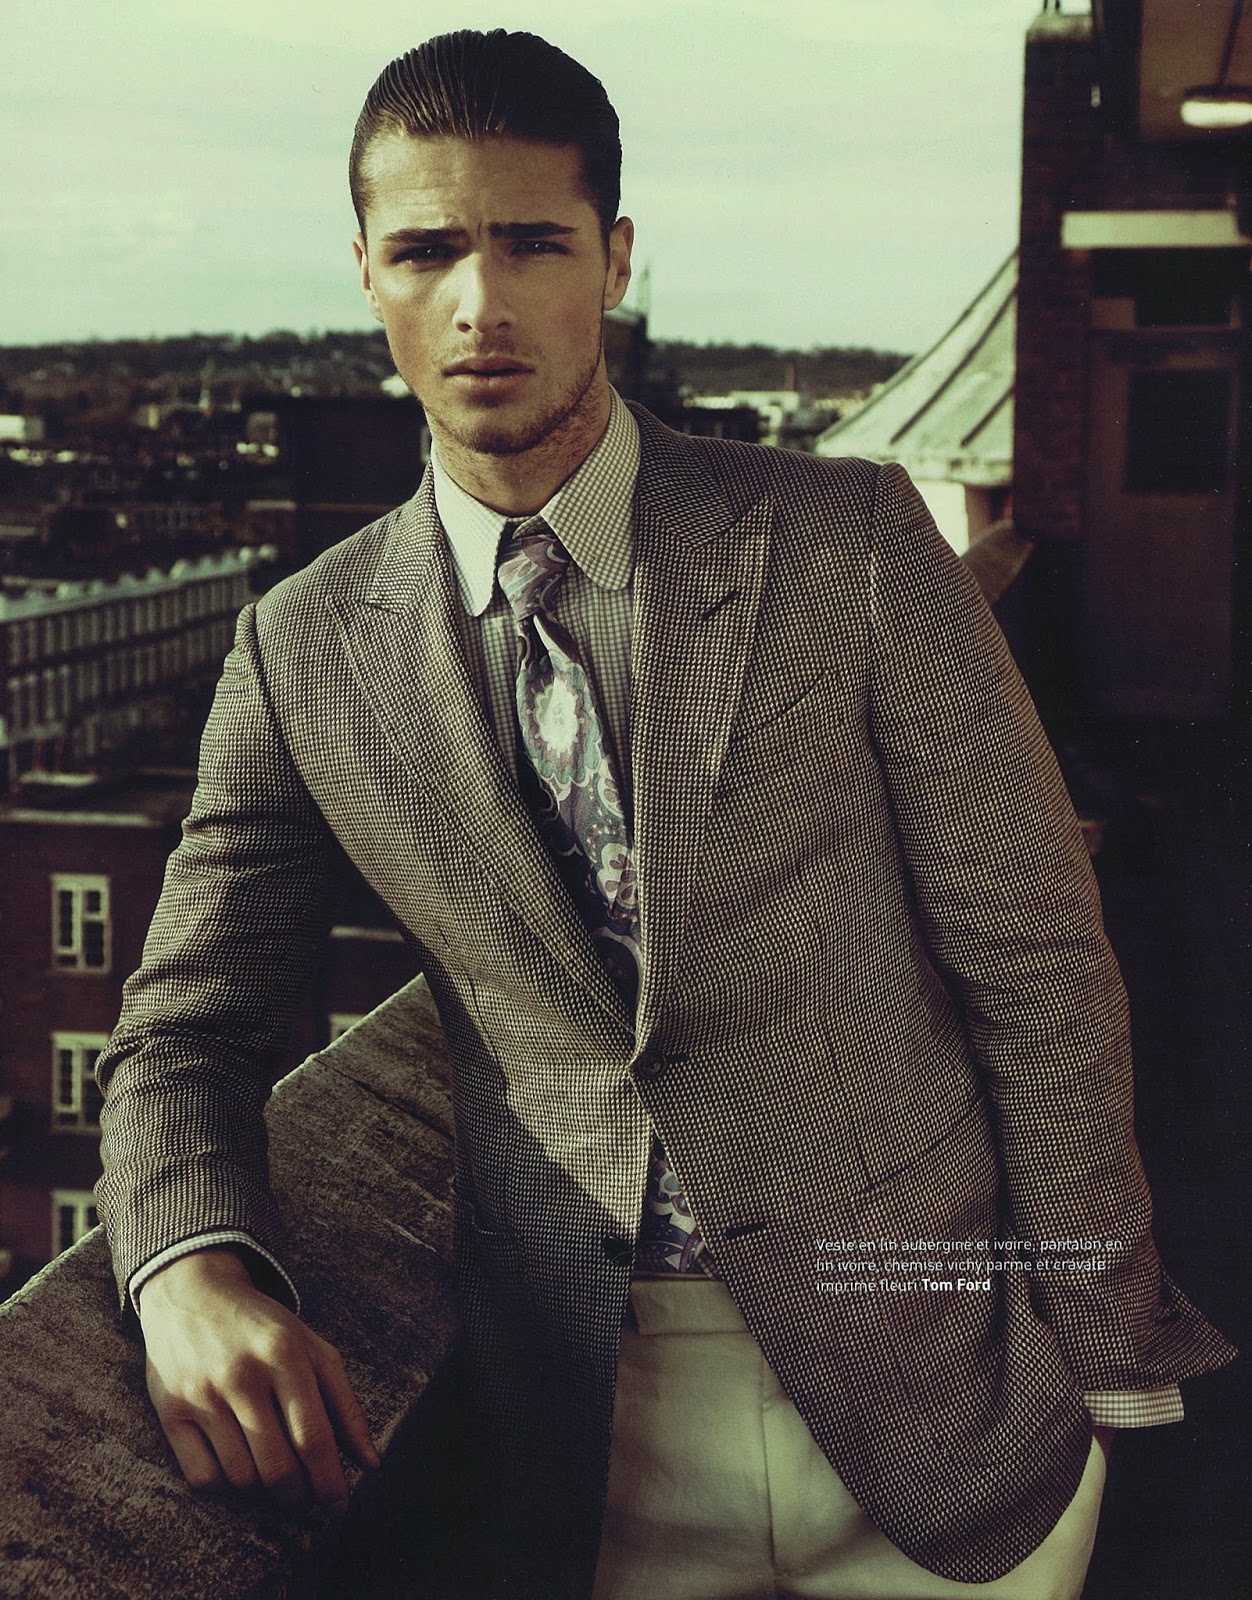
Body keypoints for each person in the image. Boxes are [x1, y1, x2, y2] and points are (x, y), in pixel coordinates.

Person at [95, 28, 1235, 1600]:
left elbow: (1035, 962)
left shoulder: (844, 538)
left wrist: (1099, 1359)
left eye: (532, 243)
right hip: (589, 1446)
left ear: (615, 261)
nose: (481, 303)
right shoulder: (300, 649)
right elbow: (184, 1029)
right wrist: (185, 1269)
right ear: (365, 272)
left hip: (949, 1388)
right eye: (426, 251)